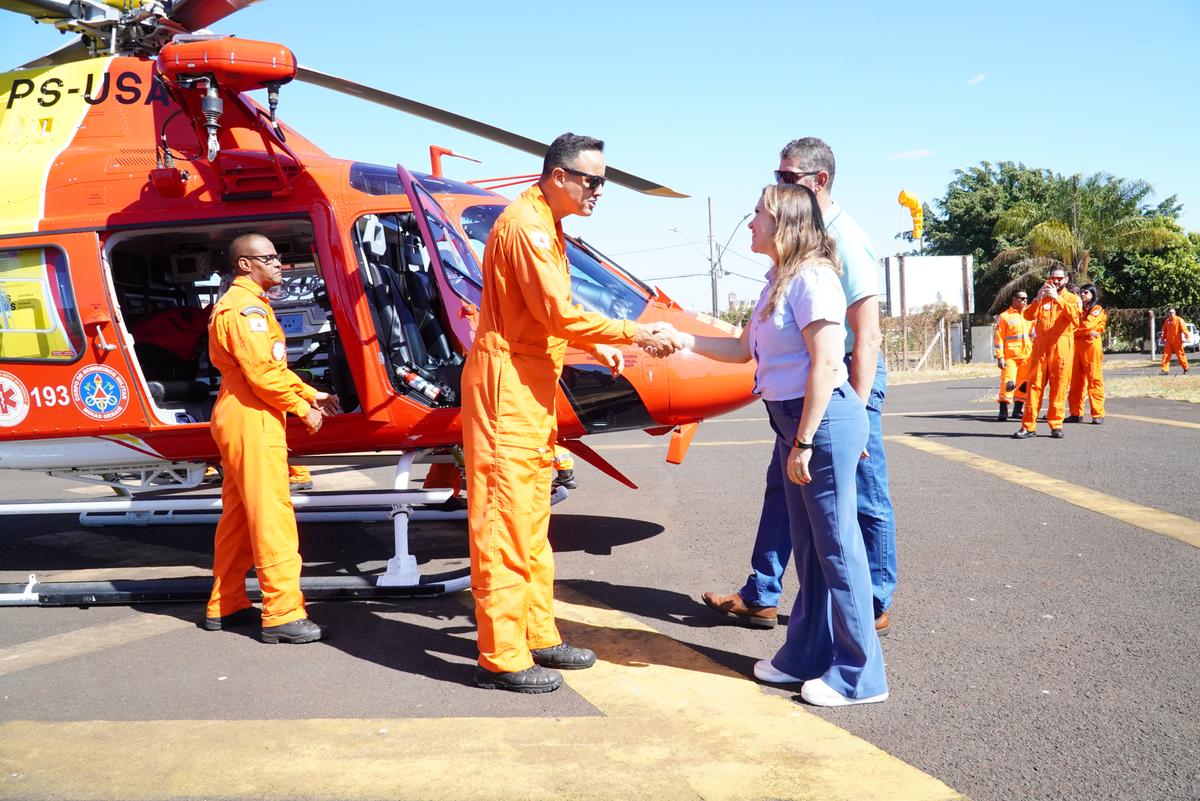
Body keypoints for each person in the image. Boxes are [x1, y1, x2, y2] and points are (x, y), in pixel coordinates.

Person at [462, 133, 682, 693]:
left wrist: (598, 344)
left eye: (602, 182)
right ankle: (502, 657)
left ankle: (536, 633)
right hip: (506, 391)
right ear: (558, 176)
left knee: (532, 523)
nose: (598, 191)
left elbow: (544, 315)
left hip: (529, 390)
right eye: (591, 181)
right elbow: (558, 311)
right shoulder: (529, 228)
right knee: (505, 525)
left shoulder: (547, 227)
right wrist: (633, 332)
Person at [685, 184, 887, 706]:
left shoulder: (815, 279)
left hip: (817, 422)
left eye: (757, 214)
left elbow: (825, 363)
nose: (750, 223)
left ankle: (861, 676)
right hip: (793, 422)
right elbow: (738, 348)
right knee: (809, 550)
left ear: (786, 224)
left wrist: (803, 442)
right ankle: (804, 655)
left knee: (839, 549)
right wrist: (678, 337)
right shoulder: (780, 279)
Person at [204, 233, 339, 643]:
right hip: (252, 417)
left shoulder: (247, 305)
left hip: (245, 412)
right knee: (271, 517)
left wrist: (311, 392)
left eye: (278, 257)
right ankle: (282, 614)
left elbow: (269, 369)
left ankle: (225, 604)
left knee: (241, 518)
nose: (279, 264)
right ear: (246, 265)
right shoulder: (245, 310)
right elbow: (262, 375)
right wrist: (303, 409)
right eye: (270, 258)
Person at [1013, 267, 1080, 440]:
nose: (1056, 281)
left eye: (1059, 278)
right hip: (1040, 349)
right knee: (1034, 387)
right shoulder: (1042, 298)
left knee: (1059, 387)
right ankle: (1028, 426)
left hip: (1062, 347)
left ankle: (1056, 424)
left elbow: (1076, 319)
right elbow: (1028, 316)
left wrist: (1057, 299)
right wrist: (1037, 299)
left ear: (1065, 279)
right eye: (1053, 278)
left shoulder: (1072, 298)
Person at [1066, 284, 1106, 424]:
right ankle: (1075, 413)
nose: (1082, 294)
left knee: (1094, 380)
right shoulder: (1078, 309)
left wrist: (1079, 331)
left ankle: (1098, 414)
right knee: (1076, 382)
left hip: (1091, 347)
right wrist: (1083, 331)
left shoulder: (1096, 309)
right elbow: (1071, 325)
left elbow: (1085, 326)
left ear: (1093, 295)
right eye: (1081, 292)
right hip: (1076, 347)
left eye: (1086, 292)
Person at [993, 290, 1034, 422]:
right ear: (1014, 300)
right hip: (1010, 356)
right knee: (1008, 382)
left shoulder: (1030, 315)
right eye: (1022, 298)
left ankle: (1017, 410)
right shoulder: (1005, 316)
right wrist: (1000, 357)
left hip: (1027, 356)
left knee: (1024, 383)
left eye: (1026, 298)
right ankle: (1003, 409)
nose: (1025, 301)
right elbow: (999, 339)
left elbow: (1035, 334)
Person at [1160, 308, 1190, 374]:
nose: (1171, 314)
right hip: (1168, 341)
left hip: (1177, 341)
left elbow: (1184, 329)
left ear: (1175, 313)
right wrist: (1162, 339)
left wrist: (1187, 337)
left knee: (1180, 355)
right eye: (1170, 312)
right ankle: (1165, 370)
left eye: (1173, 312)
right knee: (1166, 355)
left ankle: (1186, 367)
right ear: (1168, 313)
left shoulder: (1179, 320)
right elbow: (1164, 331)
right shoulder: (1167, 321)